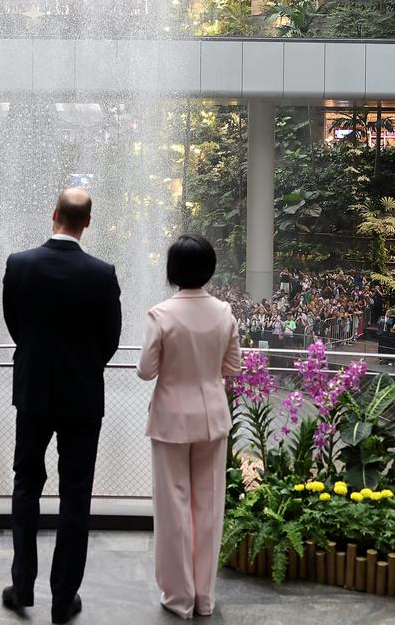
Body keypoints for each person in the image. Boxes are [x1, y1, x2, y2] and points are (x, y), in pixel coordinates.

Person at [1, 188, 122, 625]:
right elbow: (109, 339)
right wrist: (83, 367)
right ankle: (63, 597)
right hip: (83, 398)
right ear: (87, 222)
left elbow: (16, 325)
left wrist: (40, 359)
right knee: (75, 496)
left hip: (33, 393)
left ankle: (23, 587)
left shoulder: (19, 265)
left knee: (26, 485)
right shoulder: (102, 274)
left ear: (53, 214)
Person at [136, 235, 241, 619]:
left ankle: (178, 597)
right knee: (210, 507)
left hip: (170, 421)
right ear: (209, 269)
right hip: (212, 418)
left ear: (172, 271)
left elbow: (146, 371)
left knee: (173, 507)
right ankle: (204, 597)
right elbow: (232, 367)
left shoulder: (160, 315)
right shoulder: (224, 312)